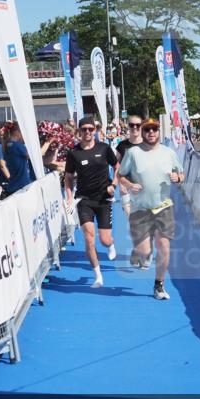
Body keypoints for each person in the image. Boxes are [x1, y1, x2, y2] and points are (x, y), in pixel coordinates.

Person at [117, 119, 186, 300]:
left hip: (163, 206)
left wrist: (177, 178)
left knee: (164, 246)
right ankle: (138, 251)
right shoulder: (133, 153)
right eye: (147, 129)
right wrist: (130, 185)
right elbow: (120, 175)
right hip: (140, 208)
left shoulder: (169, 153)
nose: (151, 132)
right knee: (146, 252)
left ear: (159, 131)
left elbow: (182, 174)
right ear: (142, 132)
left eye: (154, 129)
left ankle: (159, 285)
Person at [64, 116, 119, 288]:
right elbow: (68, 177)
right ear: (79, 131)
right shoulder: (74, 153)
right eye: (84, 129)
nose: (87, 132)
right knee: (89, 238)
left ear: (95, 131)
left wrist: (114, 184)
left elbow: (117, 167)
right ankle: (98, 276)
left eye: (91, 129)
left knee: (104, 239)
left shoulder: (104, 148)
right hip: (84, 200)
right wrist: (68, 196)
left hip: (103, 199)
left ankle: (110, 244)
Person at [1, 123, 34, 197]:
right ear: (17, 132)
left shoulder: (8, 144)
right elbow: (31, 156)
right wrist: (48, 142)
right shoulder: (16, 145)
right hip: (22, 186)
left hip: (14, 185)